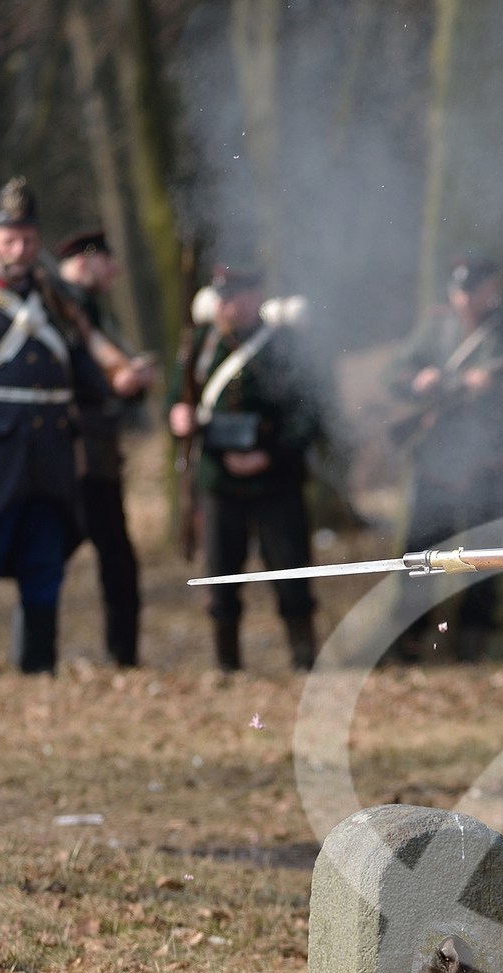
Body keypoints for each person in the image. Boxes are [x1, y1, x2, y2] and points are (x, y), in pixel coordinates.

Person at [0, 177, 120, 677]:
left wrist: (119, 382)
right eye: (9, 240)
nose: (20, 250)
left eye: (28, 240)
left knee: (45, 554)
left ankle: (39, 661)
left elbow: (81, 366)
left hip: (50, 448)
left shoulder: (56, 301)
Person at [383, 255, 503, 660]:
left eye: (472, 291)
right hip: (438, 460)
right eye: (459, 292)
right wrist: (418, 379)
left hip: (488, 460)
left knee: (482, 557)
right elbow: (393, 375)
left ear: (489, 289)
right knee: (421, 552)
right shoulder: (436, 327)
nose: (464, 301)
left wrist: (490, 388)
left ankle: (474, 645)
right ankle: (407, 639)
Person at [168, 263, 326, 672]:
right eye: (222, 297)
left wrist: (270, 456)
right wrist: (179, 417)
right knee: (221, 577)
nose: (227, 305)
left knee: (291, 574)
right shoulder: (201, 345)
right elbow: (178, 399)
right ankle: (227, 665)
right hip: (219, 479)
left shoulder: (284, 345)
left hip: (276, 477)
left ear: (255, 297)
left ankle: (303, 659)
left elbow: (308, 414)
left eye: (235, 296)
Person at [54, 229, 156, 667]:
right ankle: (34, 655)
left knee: (118, 562)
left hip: (98, 454)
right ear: (84, 260)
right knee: (45, 561)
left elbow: (106, 368)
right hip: (62, 454)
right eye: (105, 261)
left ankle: (124, 657)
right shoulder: (55, 307)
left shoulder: (88, 310)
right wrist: (117, 382)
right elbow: (76, 370)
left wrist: (130, 384)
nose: (114, 271)